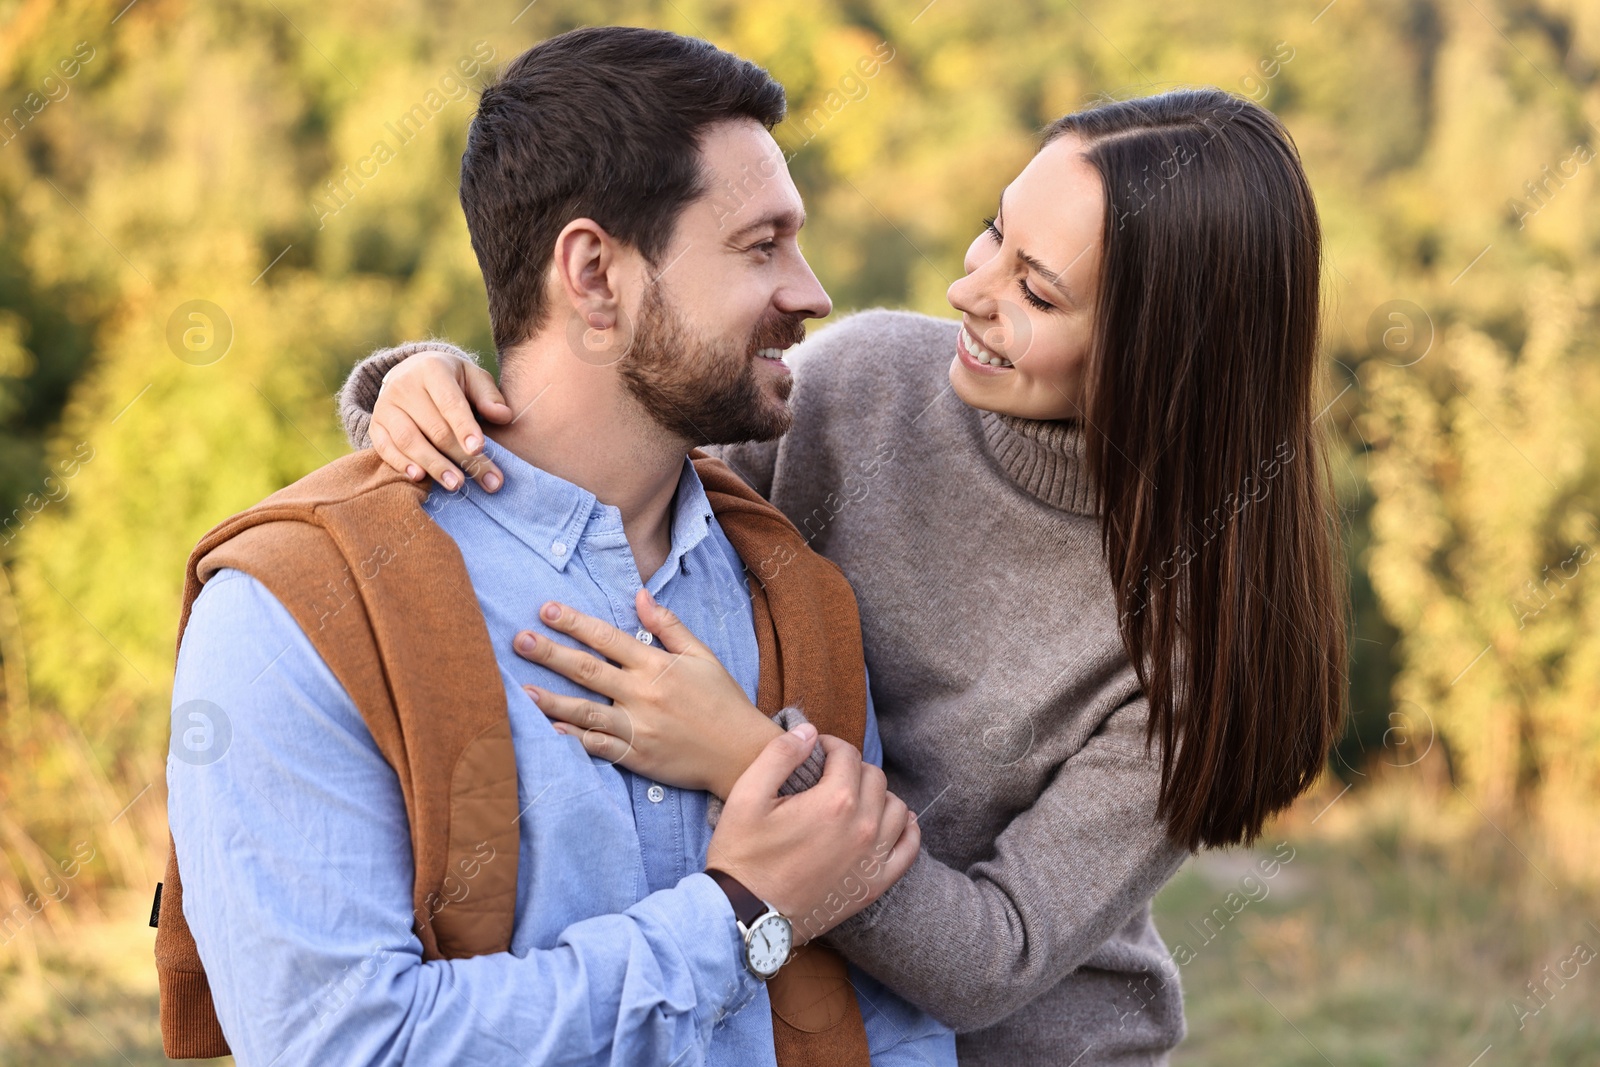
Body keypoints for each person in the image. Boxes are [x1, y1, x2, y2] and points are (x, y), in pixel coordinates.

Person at [342, 83, 1348, 1065]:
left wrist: (746, 758)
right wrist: (428, 391)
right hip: (795, 1017)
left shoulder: (1200, 633)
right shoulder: (862, 388)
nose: (968, 290)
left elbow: (993, 957)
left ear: (1164, 353)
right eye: (992, 234)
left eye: (1035, 291)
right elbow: (623, 496)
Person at [162, 26, 957, 1067]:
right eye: (760, 246)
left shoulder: (795, 591)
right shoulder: (296, 611)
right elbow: (345, 1043)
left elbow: (893, 1017)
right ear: (593, 275)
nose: (811, 293)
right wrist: (729, 916)